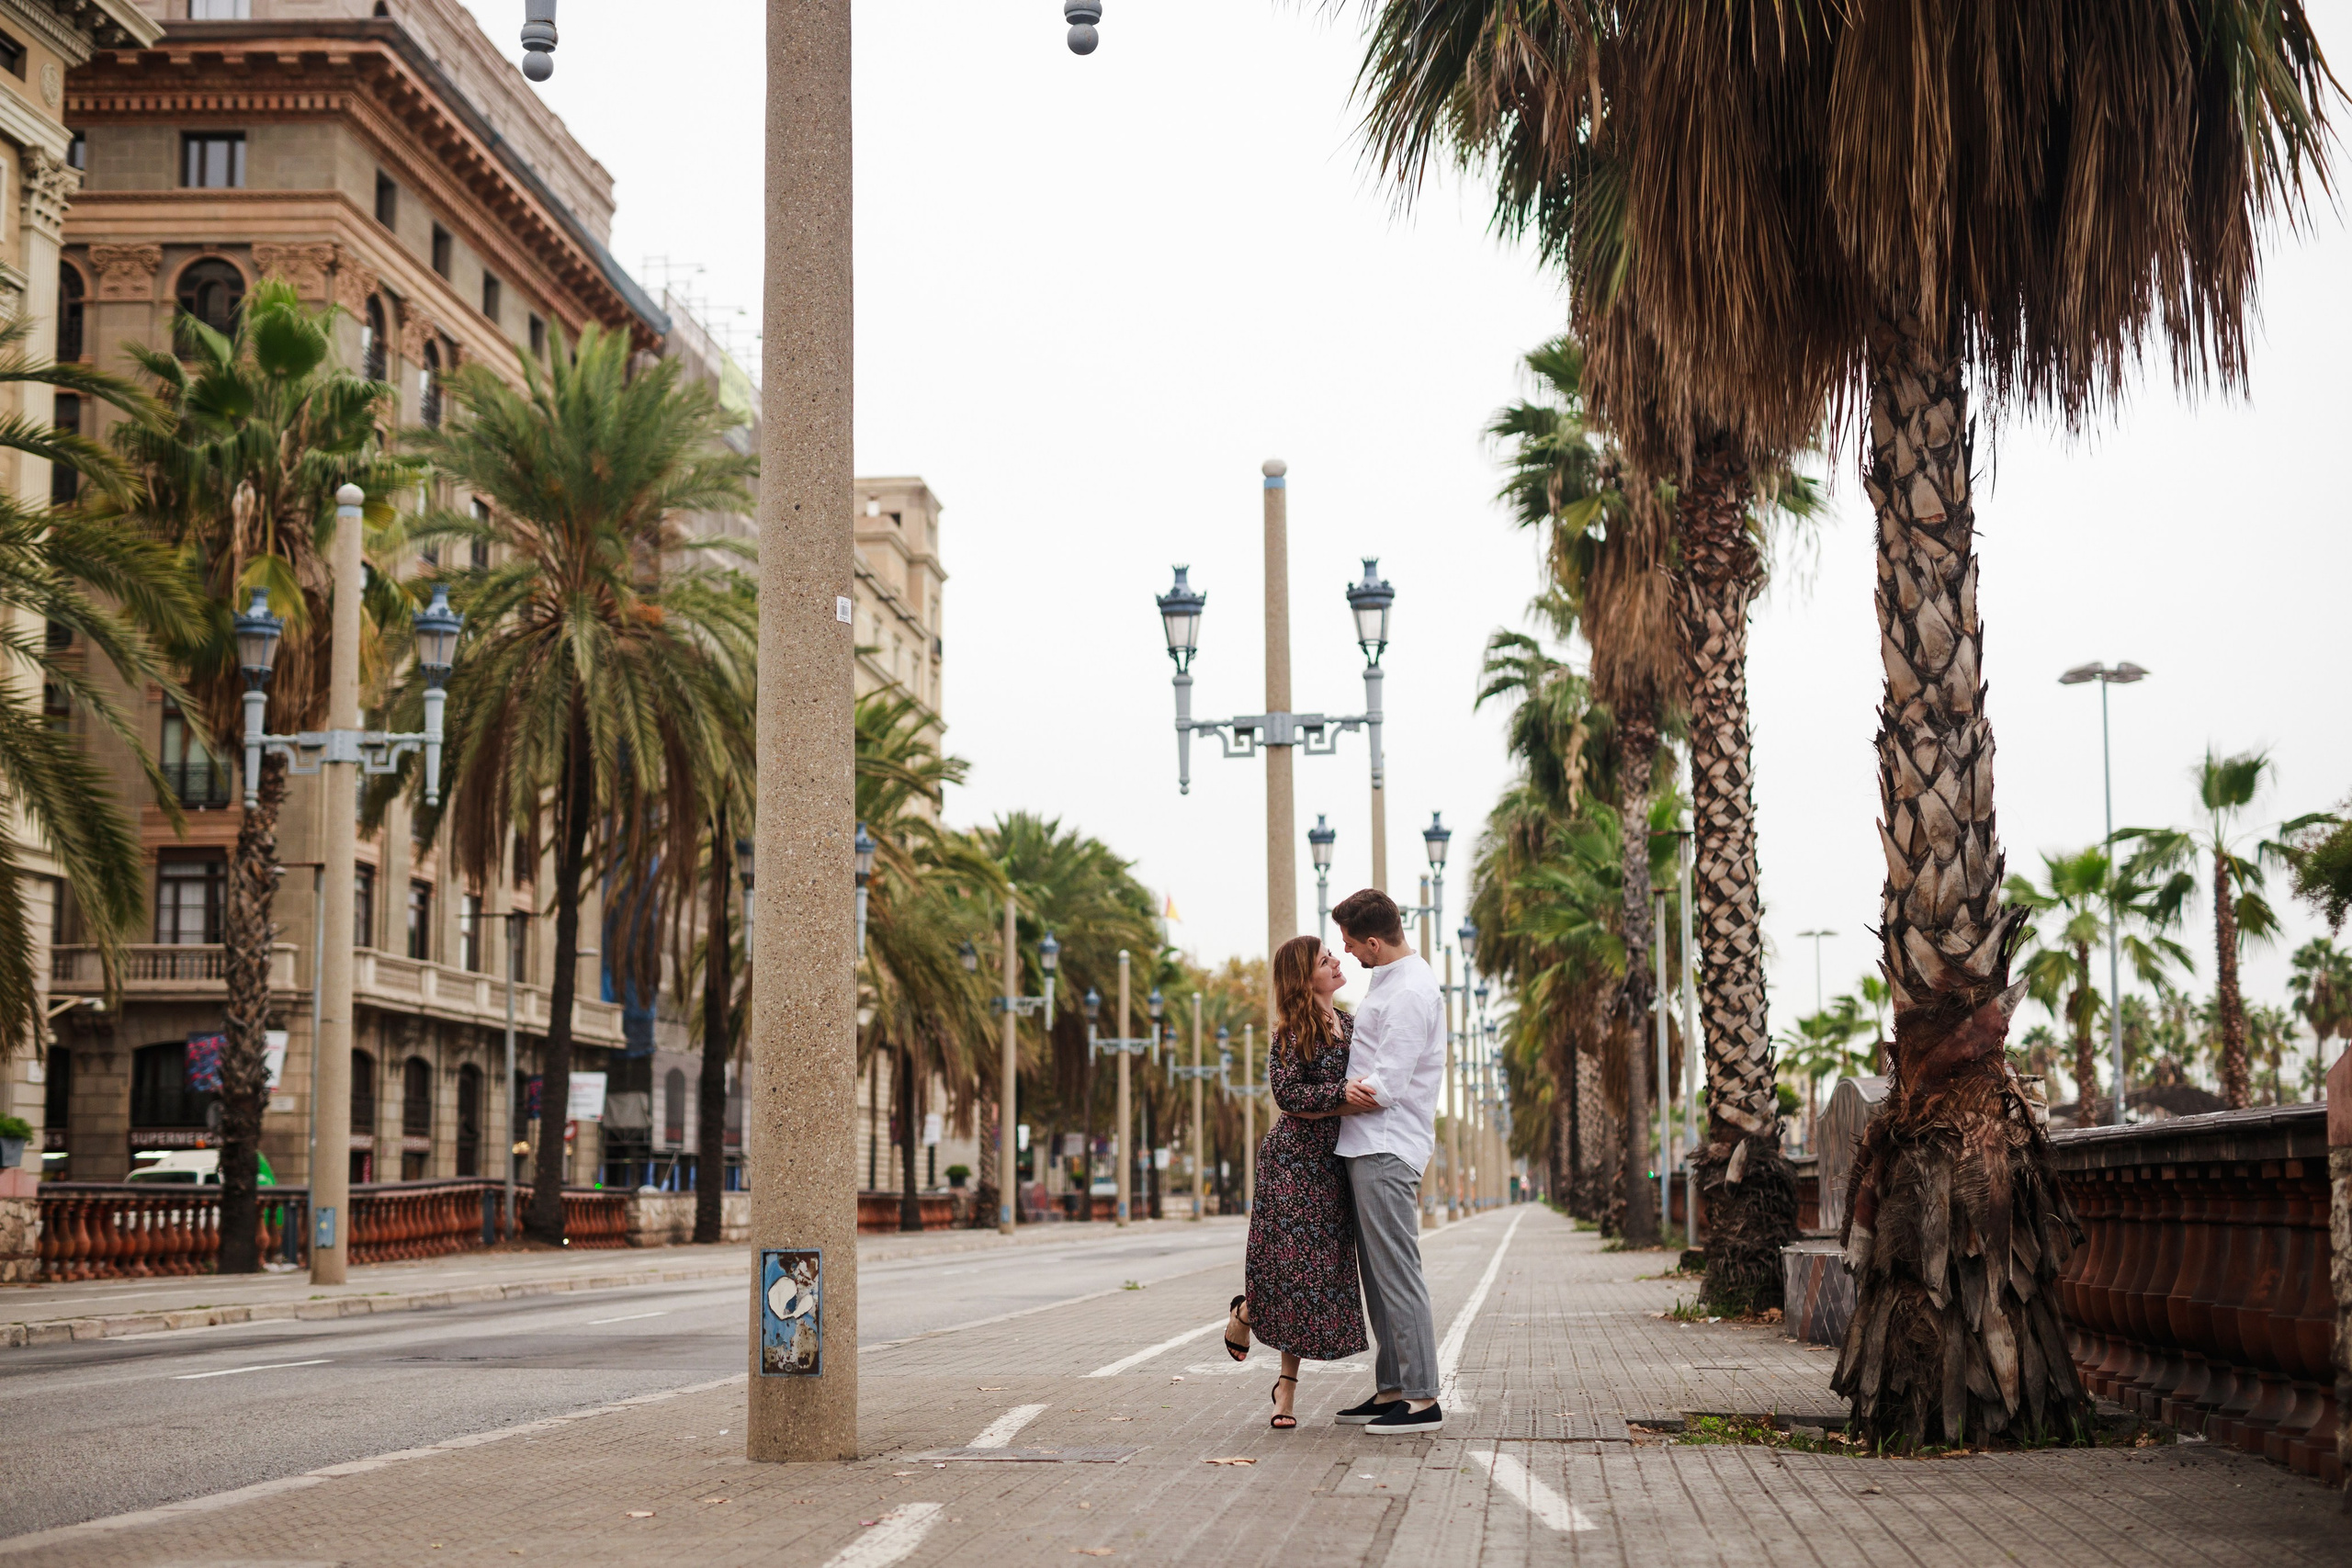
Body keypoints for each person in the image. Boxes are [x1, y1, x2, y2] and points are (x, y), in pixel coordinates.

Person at [1224, 934, 1369, 1429]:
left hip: (1334, 1165)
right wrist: (1342, 1098)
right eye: (1325, 960)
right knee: (1291, 1270)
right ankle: (1285, 1392)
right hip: (1291, 1164)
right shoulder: (1291, 1033)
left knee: (1315, 1275)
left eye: (1331, 955)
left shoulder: (1352, 1025)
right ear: (1304, 978)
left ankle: (1249, 1311)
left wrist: (1340, 1103)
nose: (1336, 962)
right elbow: (1288, 1096)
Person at [1328, 886, 1449, 1434]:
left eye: (1351, 944)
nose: (1347, 952)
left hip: (1385, 1144)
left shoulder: (1411, 991)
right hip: (1365, 1145)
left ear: (1374, 942)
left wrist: (1322, 1099)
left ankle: (1422, 1399)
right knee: (1378, 1278)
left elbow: (1387, 1085)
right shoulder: (1390, 980)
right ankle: (1393, 1388)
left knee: (1398, 1273)